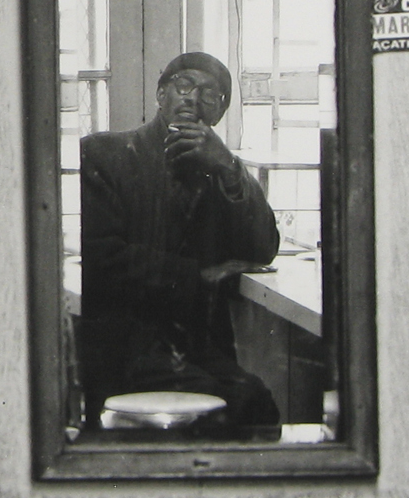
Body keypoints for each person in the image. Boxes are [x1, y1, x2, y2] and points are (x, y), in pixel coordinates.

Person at [80, 51, 281, 430]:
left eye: (210, 95)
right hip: (124, 351)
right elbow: (101, 258)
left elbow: (263, 247)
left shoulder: (218, 169)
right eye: (183, 86)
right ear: (161, 96)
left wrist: (229, 166)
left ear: (218, 115)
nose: (192, 98)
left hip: (198, 352)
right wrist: (199, 276)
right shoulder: (104, 154)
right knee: (237, 409)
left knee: (256, 405)